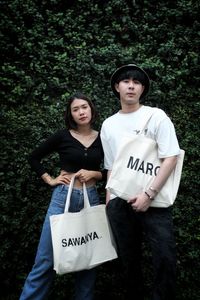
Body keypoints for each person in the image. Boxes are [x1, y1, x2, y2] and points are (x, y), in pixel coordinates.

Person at [100, 64, 180, 300]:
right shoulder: (108, 124)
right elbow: (111, 167)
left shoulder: (156, 116)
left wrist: (149, 194)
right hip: (119, 203)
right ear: (117, 87)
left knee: (164, 256)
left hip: (153, 201)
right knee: (128, 261)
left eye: (137, 82)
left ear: (143, 88)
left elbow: (171, 157)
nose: (131, 85)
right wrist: (109, 204)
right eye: (126, 81)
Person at [19, 92, 105, 300]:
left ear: (91, 109)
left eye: (84, 107)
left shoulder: (104, 137)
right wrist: (49, 179)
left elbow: (114, 171)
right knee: (46, 259)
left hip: (90, 200)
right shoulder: (63, 136)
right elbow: (34, 157)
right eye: (75, 109)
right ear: (71, 115)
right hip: (62, 198)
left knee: (89, 259)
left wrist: (94, 173)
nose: (81, 112)